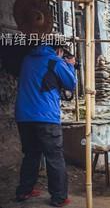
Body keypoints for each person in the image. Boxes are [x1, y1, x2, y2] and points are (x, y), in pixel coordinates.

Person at [15, 44, 77, 207]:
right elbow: (71, 84)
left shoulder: (27, 60)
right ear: (58, 50)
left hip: (24, 116)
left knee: (31, 154)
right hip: (46, 117)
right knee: (54, 157)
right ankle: (59, 197)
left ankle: (24, 190)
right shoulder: (55, 61)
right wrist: (69, 65)